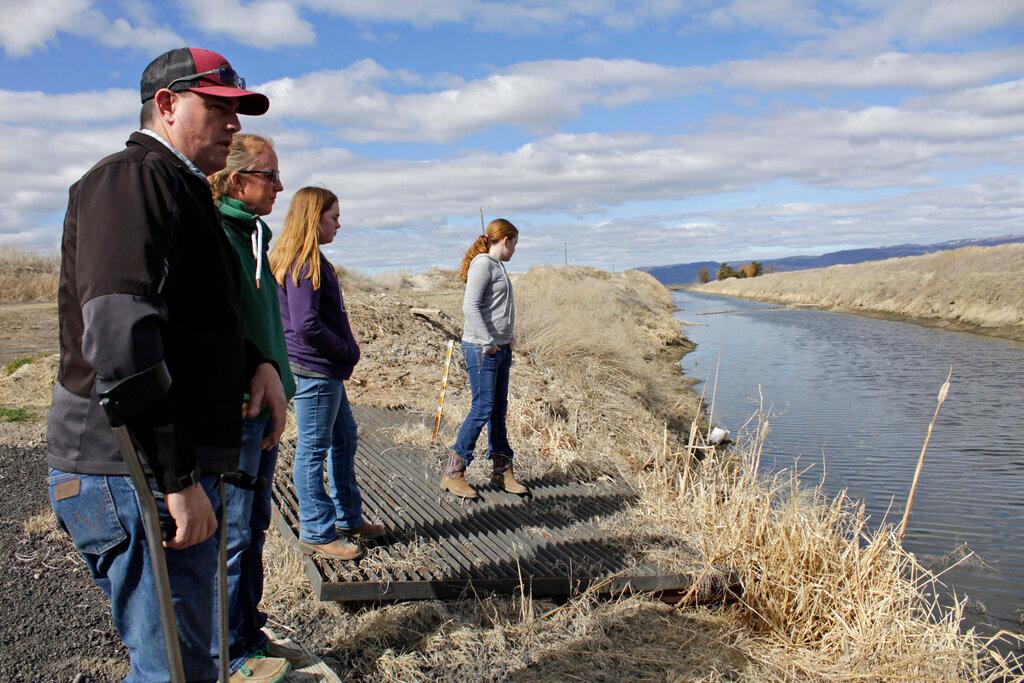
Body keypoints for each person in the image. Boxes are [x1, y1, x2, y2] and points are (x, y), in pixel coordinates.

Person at [46, 48, 289, 681]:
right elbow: (122, 341)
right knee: (174, 672)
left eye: (239, 112)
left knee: (192, 662)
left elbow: (191, 322)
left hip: (158, 471)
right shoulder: (131, 181)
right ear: (167, 104)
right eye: (219, 108)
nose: (233, 125)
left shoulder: (181, 190)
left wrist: (256, 361)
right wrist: (175, 479)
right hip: (132, 471)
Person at [208, 134, 303, 677]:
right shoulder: (214, 235)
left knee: (255, 526)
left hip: (265, 407)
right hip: (238, 412)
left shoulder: (257, 234)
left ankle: (249, 632)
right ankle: (230, 653)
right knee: (234, 533)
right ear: (238, 179)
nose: (279, 186)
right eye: (270, 176)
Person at [269, 187, 385, 561]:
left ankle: (349, 518)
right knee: (313, 449)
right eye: (333, 216)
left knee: (345, 438)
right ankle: (318, 530)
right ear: (314, 218)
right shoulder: (305, 263)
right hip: (316, 371)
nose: (339, 223)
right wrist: (346, 349)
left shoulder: (308, 259)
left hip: (322, 371)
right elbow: (305, 325)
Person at [441, 219, 528, 499]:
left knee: (497, 411)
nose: (515, 249)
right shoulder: (483, 264)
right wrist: (490, 341)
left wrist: (507, 337)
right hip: (482, 350)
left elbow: (497, 309)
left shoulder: (498, 267)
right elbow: (470, 306)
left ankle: (502, 470)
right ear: (505, 240)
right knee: (482, 408)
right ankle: (454, 471)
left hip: (500, 349)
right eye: (514, 243)